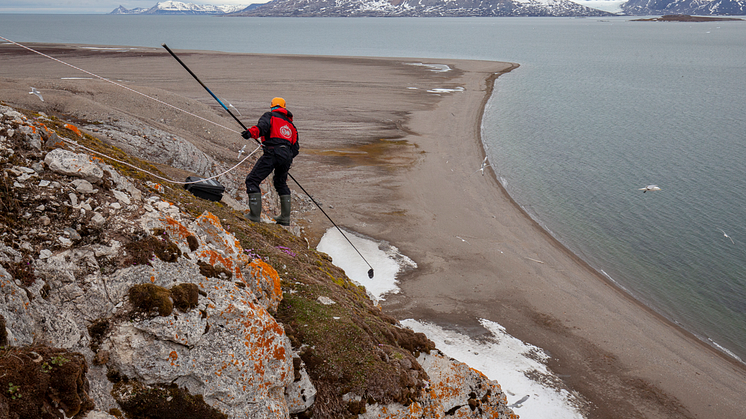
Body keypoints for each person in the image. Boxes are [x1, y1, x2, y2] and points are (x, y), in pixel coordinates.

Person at [241, 97, 299, 225]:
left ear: (272, 106)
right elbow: (296, 148)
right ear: (284, 108)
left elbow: (262, 128)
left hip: (273, 152)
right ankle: (285, 218)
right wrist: (286, 157)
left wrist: (249, 133)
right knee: (280, 183)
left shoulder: (270, 116)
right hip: (287, 156)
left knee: (252, 180)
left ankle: (254, 215)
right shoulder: (291, 126)